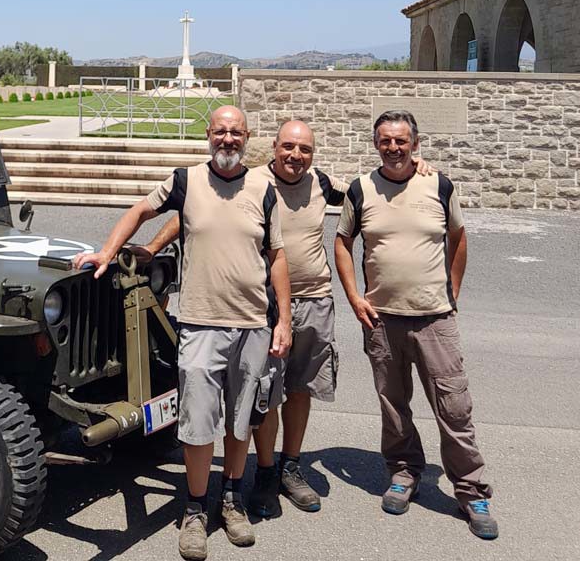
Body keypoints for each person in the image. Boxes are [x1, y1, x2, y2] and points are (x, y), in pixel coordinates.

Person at [139, 120, 432, 518]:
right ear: (274, 147)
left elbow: (372, 189)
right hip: (266, 303)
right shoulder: (253, 181)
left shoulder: (322, 183)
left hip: (315, 299)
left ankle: (289, 466)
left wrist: (415, 167)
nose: (295, 156)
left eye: (304, 149)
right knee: (265, 393)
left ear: (312, 153)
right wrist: (152, 246)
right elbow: (192, 214)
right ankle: (264, 472)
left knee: (300, 389)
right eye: (288, 147)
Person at [73, 106, 291, 560]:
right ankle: (194, 509)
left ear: (247, 136)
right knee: (196, 423)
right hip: (199, 323)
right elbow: (139, 210)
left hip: (252, 324)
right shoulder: (185, 181)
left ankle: (231, 499)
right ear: (208, 134)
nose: (228, 140)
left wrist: (284, 321)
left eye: (236, 133)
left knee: (240, 420)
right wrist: (107, 252)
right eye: (220, 132)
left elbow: (277, 258)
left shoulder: (263, 189)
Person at [334, 110, 497, 540]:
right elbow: (342, 241)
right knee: (393, 404)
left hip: (434, 318)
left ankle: (471, 490)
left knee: (454, 407)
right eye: (385, 141)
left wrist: (452, 292)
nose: (393, 148)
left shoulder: (439, 185)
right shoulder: (361, 189)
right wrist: (353, 296)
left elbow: (458, 237)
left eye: (401, 141)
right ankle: (404, 472)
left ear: (415, 143)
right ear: (376, 144)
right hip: (381, 318)